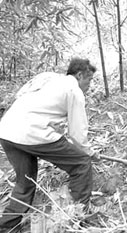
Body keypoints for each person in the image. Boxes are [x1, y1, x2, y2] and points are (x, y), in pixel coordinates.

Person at [0, 58, 97, 232]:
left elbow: (22, 98)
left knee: (25, 181)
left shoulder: (47, 77)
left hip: (7, 130)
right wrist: (89, 153)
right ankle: (77, 215)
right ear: (80, 75)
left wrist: (51, 122)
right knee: (81, 163)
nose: (89, 85)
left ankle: (7, 226)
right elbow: (77, 133)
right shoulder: (74, 90)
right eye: (89, 80)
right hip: (32, 133)